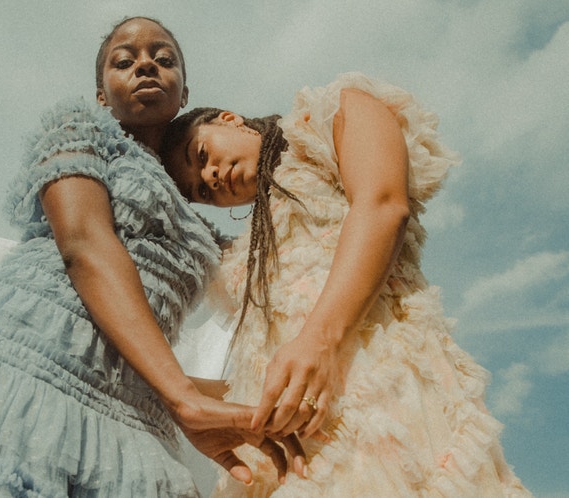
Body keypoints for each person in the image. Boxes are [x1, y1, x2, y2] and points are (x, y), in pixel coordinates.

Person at [0, 17, 298, 498]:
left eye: (164, 59)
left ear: (184, 93)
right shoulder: (81, 130)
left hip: (131, 399)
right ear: (103, 95)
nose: (145, 64)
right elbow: (84, 245)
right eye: (124, 61)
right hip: (27, 358)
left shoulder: (196, 214)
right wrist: (183, 396)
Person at [161, 72, 533, 496]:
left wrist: (318, 341)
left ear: (230, 119)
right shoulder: (245, 257)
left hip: (385, 402)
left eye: (202, 154)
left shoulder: (329, 115)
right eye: (200, 191)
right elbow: (249, 366)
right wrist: (175, 399)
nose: (208, 176)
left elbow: (383, 205)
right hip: (291, 452)